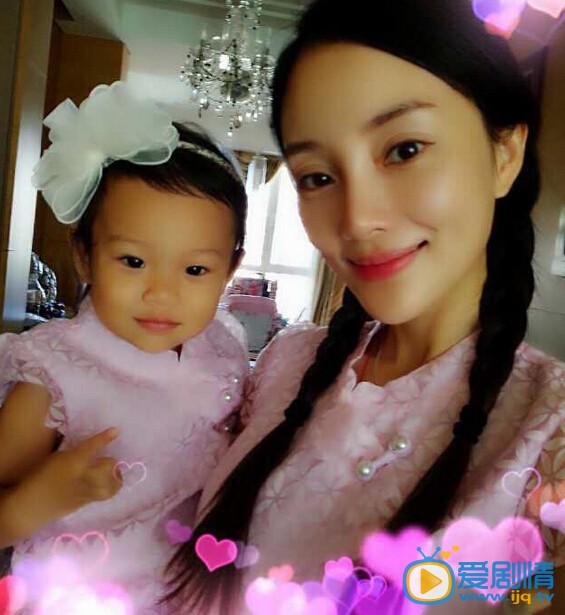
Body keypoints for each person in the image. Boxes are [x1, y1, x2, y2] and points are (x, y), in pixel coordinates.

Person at [163, 0, 565, 613]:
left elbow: (530, 597)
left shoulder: (548, 430)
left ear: (504, 154)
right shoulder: (287, 364)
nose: (356, 221)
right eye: (317, 177)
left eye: (404, 149)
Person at [0, 82, 248, 613]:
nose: (162, 292)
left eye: (195, 269)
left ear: (230, 269)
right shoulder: (55, 371)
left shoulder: (225, 346)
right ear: (85, 257)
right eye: (133, 261)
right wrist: (32, 503)